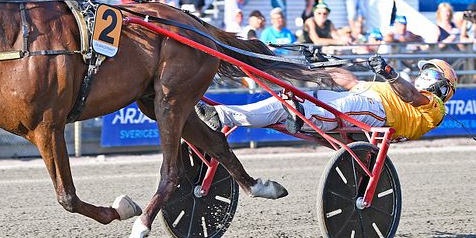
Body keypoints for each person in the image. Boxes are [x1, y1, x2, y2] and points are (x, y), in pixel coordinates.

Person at [195, 56, 456, 141]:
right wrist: (322, 64)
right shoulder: (394, 87)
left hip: (380, 114)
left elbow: (409, 95)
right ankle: (222, 115)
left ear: (443, 88)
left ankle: (300, 113)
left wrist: (389, 73)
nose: (425, 75)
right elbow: (349, 81)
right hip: (363, 99)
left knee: (335, 107)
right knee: (289, 99)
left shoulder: (436, 108)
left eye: (431, 72)